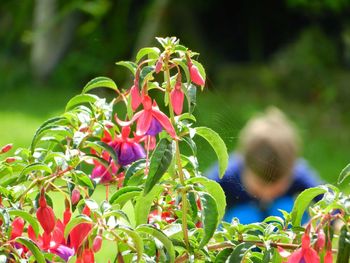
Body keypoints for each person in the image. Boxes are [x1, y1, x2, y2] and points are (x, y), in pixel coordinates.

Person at [205, 106, 322, 224]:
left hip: (280, 225)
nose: (266, 197)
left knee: (286, 207)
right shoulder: (227, 174)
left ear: (291, 171)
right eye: (258, 187)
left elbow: (329, 203)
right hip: (240, 226)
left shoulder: (298, 173)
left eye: (276, 189)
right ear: (243, 164)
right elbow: (201, 196)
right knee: (245, 216)